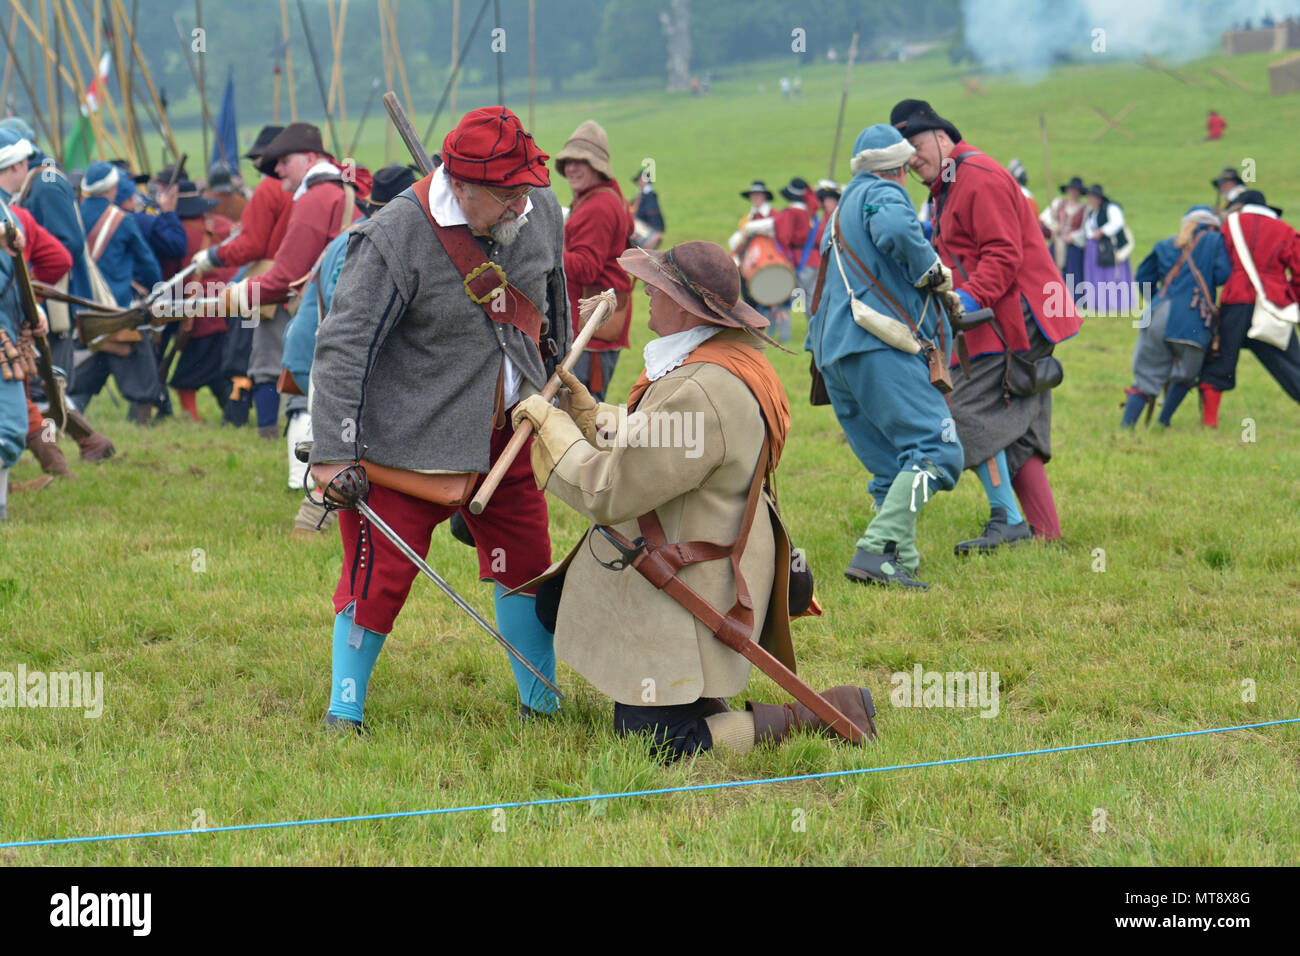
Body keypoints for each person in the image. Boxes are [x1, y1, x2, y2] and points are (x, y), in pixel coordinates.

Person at [511, 240, 877, 760]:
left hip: (692, 590)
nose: (645, 295)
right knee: (656, 717)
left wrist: (553, 433)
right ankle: (705, 701)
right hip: (705, 571)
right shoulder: (721, 362)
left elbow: (609, 491)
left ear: (682, 306)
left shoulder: (701, 388)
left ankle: (805, 719)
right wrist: (591, 415)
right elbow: (659, 439)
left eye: (655, 288)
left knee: (656, 743)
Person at [307, 106, 569, 732]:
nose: (521, 206)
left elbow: (552, 299)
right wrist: (334, 451)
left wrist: (555, 381)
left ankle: (541, 703)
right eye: (507, 193)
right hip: (410, 442)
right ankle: (345, 710)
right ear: (463, 184)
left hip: (513, 428)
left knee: (525, 563)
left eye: (527, 188)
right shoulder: (391, 237)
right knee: (378, 574)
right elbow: (344, 346)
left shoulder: (541, 209)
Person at [890, 98, 1082, 551]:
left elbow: (1002, 255)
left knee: (961, 413)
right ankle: (1042, 531)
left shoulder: (978, 177)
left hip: (1017, 315)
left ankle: (1009, 520)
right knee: (1016, 426)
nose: (912, 158)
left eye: (916, 144)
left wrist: (962, 303)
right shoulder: (948, 186)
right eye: (904, 151)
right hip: (998, 317)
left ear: (942, 137)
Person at [808, 125, 960, 589]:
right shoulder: (885, 193)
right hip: (878, 344)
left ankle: (900, 561)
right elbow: (895, 229)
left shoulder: (837, 214)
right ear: (897, 166)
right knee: (938, 450)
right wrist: (931, 271)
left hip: (833, 355)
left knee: (892, 463)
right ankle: (877, 550)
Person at [210, 123, 367, 447]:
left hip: (317, 303)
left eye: (284, 161)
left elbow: (285, 275)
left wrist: (234, 295)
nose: (276, 169)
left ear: (310, 158)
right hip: (340, 302)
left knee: (296, 380)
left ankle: (304, 478)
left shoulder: (315, 197)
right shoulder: (338, 189)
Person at [282, 163, 415, 537]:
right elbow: (350, 310)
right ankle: (310, 526)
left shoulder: (361, 235)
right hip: (335, 362)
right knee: (344, 448)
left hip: (334, 357)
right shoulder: (366, 242)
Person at [0, 119, 115, 462]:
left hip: (44, 303)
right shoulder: (25, 192)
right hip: (28, 301)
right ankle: (60, 455)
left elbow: (66, 249)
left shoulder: (45, 182)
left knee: (47, 387)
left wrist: (26, 281)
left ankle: (82, 444)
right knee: (35, 389)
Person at [192, 125, 290, 430]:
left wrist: (214, 257)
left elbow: (252, 244)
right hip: (311, 281)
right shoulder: (319, 187)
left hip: (272, 281)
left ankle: (268, 430)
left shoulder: (270, 189)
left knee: (266, 362)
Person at [66, 162, 163, 425]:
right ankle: (141, 423)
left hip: (81, 312)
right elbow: (148, 264)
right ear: (112, 188)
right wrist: (158, 291)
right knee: (141, 371)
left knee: (80, 381)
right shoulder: (123, 220)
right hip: (118, 311)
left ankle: (72, 423)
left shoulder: (71, 216)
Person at [1123, 206, 1231, 428]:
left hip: (1157, 314)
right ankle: (1163, 422)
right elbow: (1223, 274)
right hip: (1191, 318)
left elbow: (1143, 276)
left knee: (1145, 379)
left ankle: (1127, 427)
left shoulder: (1165, 243)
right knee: (1185, 374)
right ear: (1211, 226)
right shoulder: (1213, 240)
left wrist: (1157, 300)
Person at [1199, 189, 1300, 426]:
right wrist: (1291, 298)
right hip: (1273, 304)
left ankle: (1209, 423)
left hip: (1235, 301)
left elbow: (1218, 264)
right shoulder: (1286, 231)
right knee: (1293, 365)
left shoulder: (1230, 225)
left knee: (1220, 358)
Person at [553, 120, 633, 402]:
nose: (572, 168)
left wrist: (546, 251)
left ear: (597, 167)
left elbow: (586, 268)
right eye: (569, 161)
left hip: (591, 331)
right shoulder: (602, 197)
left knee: (583, 414)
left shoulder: (598, 205)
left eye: (581, 162)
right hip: (595, 324)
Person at [162, 182, 239, 422]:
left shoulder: (178, 234)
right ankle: (234, 417)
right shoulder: (225, 225)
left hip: (205, 313)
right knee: (219, 370)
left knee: (188, 376)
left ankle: (192, 419)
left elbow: (170, 278)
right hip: (237, 304)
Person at [1081, 184, 1135, 315]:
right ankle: (1098, 303)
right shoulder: (1091, 212)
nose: (1091, 199)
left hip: (1109, 247)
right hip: (1094, 247)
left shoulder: (1111, 208)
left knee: (1111, 274)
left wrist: (1102, 231)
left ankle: (1115, 303)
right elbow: (1088, 228)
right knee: (1096, 275)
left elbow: (1117, 223)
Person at [1040, 177, 1088, 303]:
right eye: (1071, 190)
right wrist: (1054, 226)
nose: (1073, 192)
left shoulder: (1085, 208)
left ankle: (1073, 299)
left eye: (1076, 190)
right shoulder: (1059, 202)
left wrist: (1072, 237)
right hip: (1057, 243)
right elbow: (1045, 217)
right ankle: (1053, 298)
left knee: (1072, 273)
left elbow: (1085, 228)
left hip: (1073, 245)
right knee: (1053, 270)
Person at [796, 179, 839, 295]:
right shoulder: (822, 219)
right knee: (802, 295)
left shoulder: (837, 219)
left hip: (829, 262)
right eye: (826, 200)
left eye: (831, 200)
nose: (828, 203)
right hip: (816, 261)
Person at [628, 166, 664, 250]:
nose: (640, 182)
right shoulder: (639, 194)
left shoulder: (650, 195)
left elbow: (651, 213)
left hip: (647, 228)